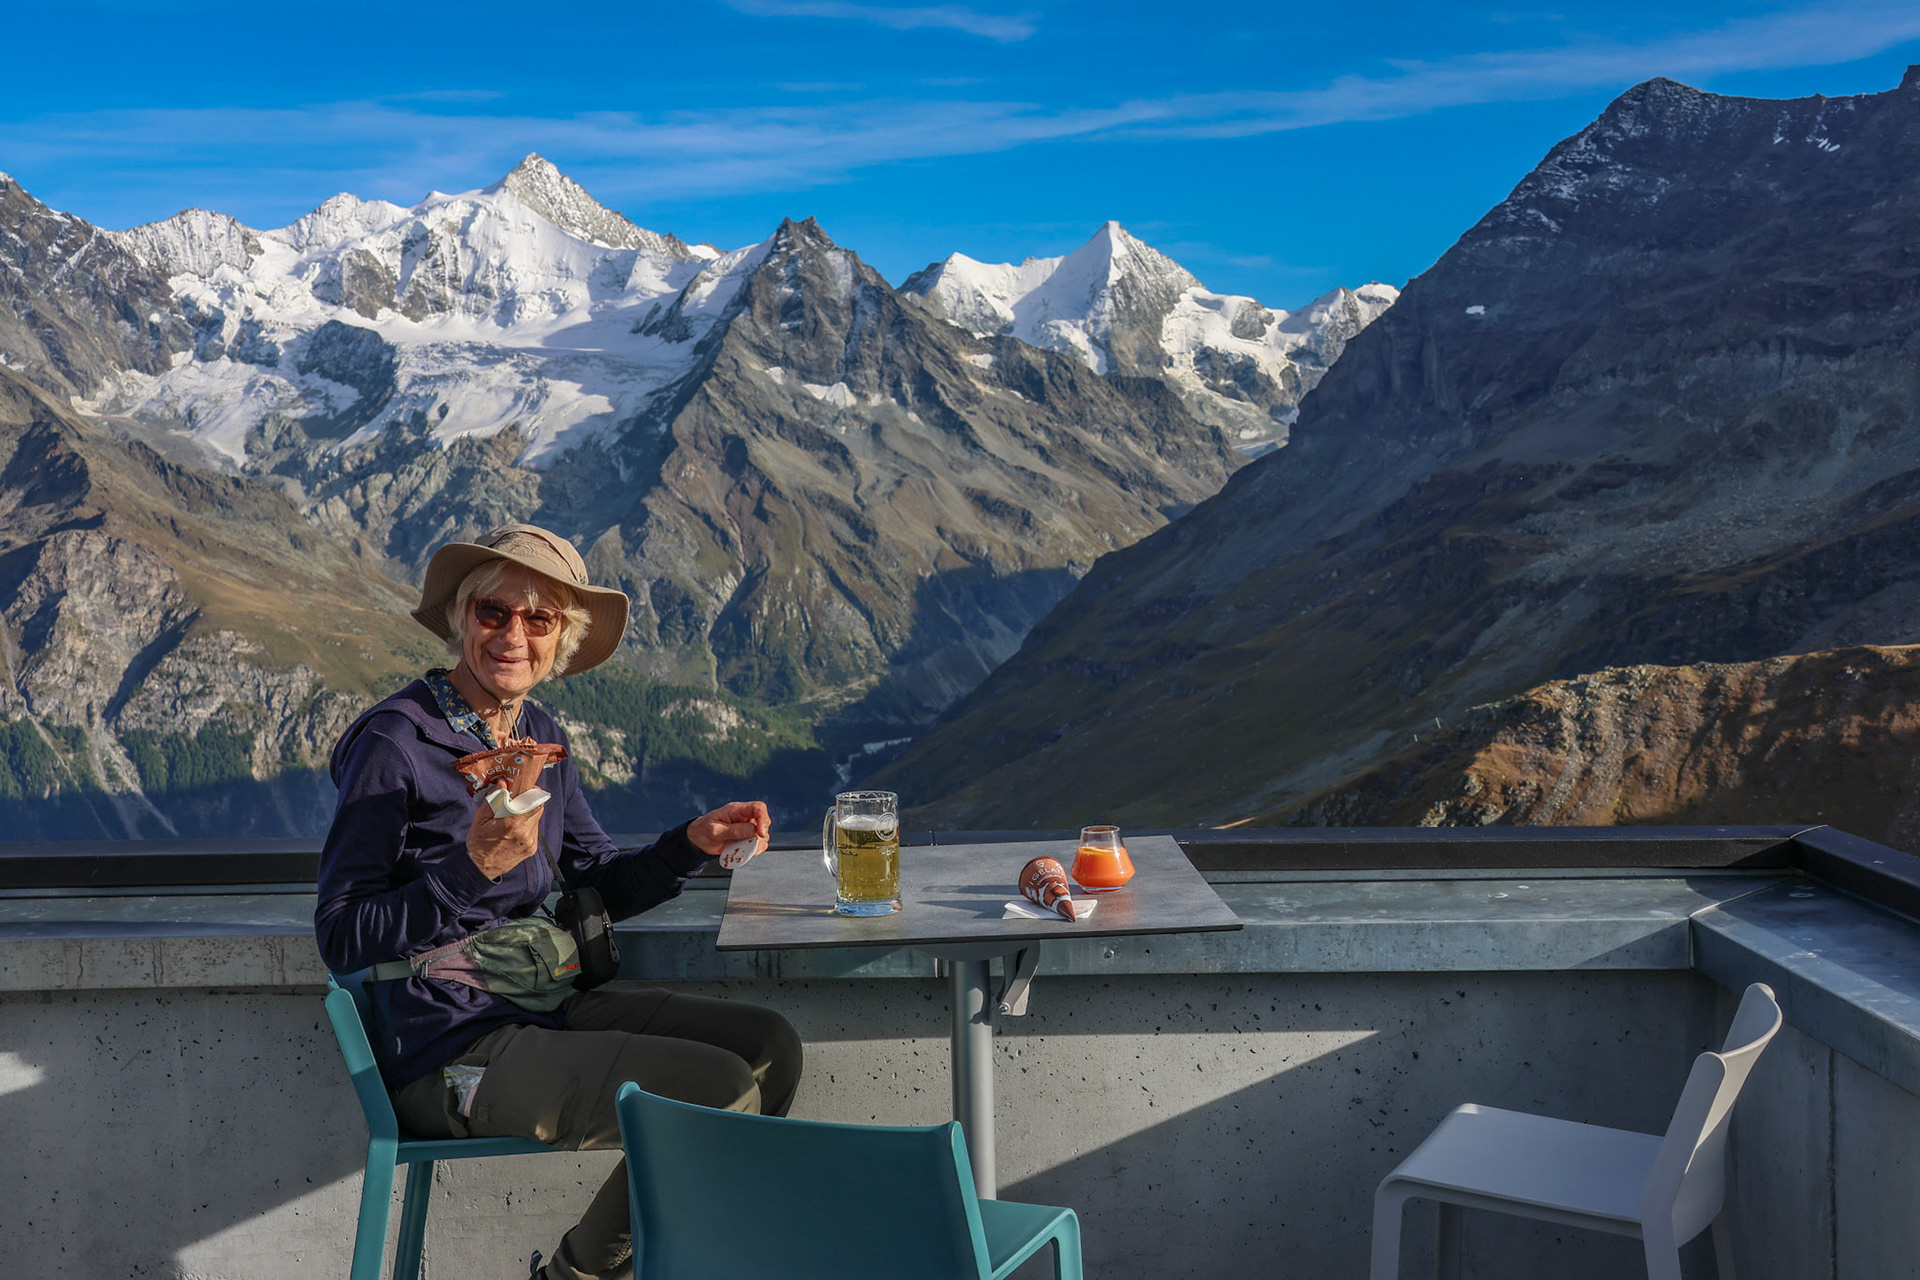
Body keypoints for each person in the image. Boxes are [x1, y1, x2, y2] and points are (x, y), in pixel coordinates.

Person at [314, 523, 802, 1280]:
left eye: (538, 618)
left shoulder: (537, 734)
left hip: (542, 1002)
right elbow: (342, 933)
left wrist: (690, 845)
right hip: (444, 1048)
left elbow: (595, 879)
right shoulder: (396, 743)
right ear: (462, 617)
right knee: (718, 1089)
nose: (513, 635)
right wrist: (472, 868)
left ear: (561, 638)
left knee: (769, 1047)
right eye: (493, 612)